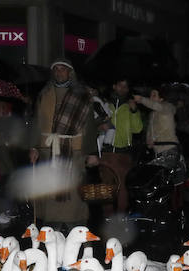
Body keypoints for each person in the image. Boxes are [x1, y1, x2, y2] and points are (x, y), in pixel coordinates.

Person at [29, 59, 98, 229]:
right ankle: (52, 227)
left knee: (73, 190)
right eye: (56, 69)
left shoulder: (82, 95)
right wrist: (34, 147)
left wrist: (92, 152)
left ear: (70, 72)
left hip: (74, 150)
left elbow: (90, 126)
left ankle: (76, 227)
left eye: (63, 69)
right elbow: (37, 123)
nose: (59, 72)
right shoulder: (44, 94)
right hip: (47, 150)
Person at [100, 77, 143, 213]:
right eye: (120, 85)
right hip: (106, 152)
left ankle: (120, 217)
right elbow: (94, 124)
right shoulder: (105, 105)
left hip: (123, 153)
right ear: (114, 86)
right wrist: (100, 126)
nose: (123, 88)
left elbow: (138, 129)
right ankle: (107, 217)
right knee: (106, 186)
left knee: (123, 187)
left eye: (125, 86)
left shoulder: (130, 107)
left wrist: (134, 111)